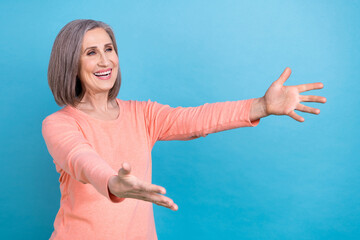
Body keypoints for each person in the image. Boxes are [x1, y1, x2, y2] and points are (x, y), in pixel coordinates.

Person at [42, 19, 326, 240]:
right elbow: (80, 158)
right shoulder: (59, 124)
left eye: (109, 49)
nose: (105, 61)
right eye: (91, 53)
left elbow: (198, 119)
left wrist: (262, 106)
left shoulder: (142, 114)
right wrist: (111, 183)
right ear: (71, 64)